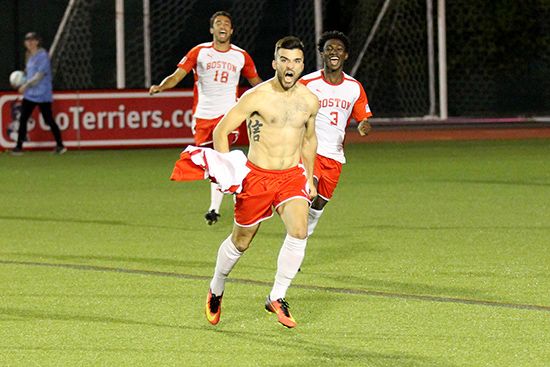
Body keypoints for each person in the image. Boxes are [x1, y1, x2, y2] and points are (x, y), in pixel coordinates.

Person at [204, 36, 318, 328]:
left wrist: (309, 175)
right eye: (284, 60)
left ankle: (277, 296)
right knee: (241, 242)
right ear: (275, 63)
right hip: (256, 177)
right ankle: (216, 287)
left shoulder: (309, 100)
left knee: (300, 230)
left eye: (296, 61)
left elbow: (309, 139)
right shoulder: (256, 96)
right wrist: (227, 170)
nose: (290, 66)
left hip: (290, 177)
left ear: (303, 65)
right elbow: (221, 131)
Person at [149, 11, 262, 225]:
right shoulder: (199, 52)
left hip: (229, 114)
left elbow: (257, 82)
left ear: (231, 30)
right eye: (218, 23)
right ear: (212, 30)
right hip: (203, 115)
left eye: (226, 23)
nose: (222, 26)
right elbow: (177, 76)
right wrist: (161, 87)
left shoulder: (241, 55)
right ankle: (231, 191)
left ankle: (216, 207)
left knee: (222, 155)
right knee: (212, 161)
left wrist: (275, 96)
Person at [299, 31, 372, 236]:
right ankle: (295, 243)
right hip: (309, 150)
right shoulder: (307, 83)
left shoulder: (354, 88)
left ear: (345, 55)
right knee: (307, 195)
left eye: (339, 49)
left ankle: (303, 236)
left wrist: (363, 126)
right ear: (322, 53)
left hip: (335, 155)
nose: (334, 52)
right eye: (329, 48)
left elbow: (363, 119)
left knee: (320, 203)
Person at [10, 32, 66, 156]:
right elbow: (28, 72)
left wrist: (25, 85)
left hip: (42, 93)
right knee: (23, 118)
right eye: (27, 41)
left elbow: (39, 75)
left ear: (37, 42)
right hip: (30, 94)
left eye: (32, 40)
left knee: (48, 120)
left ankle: (60, 145)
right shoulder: (28, 55)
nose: (30, 43)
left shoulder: (43, 56)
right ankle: (18, 147)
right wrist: (20, 80)